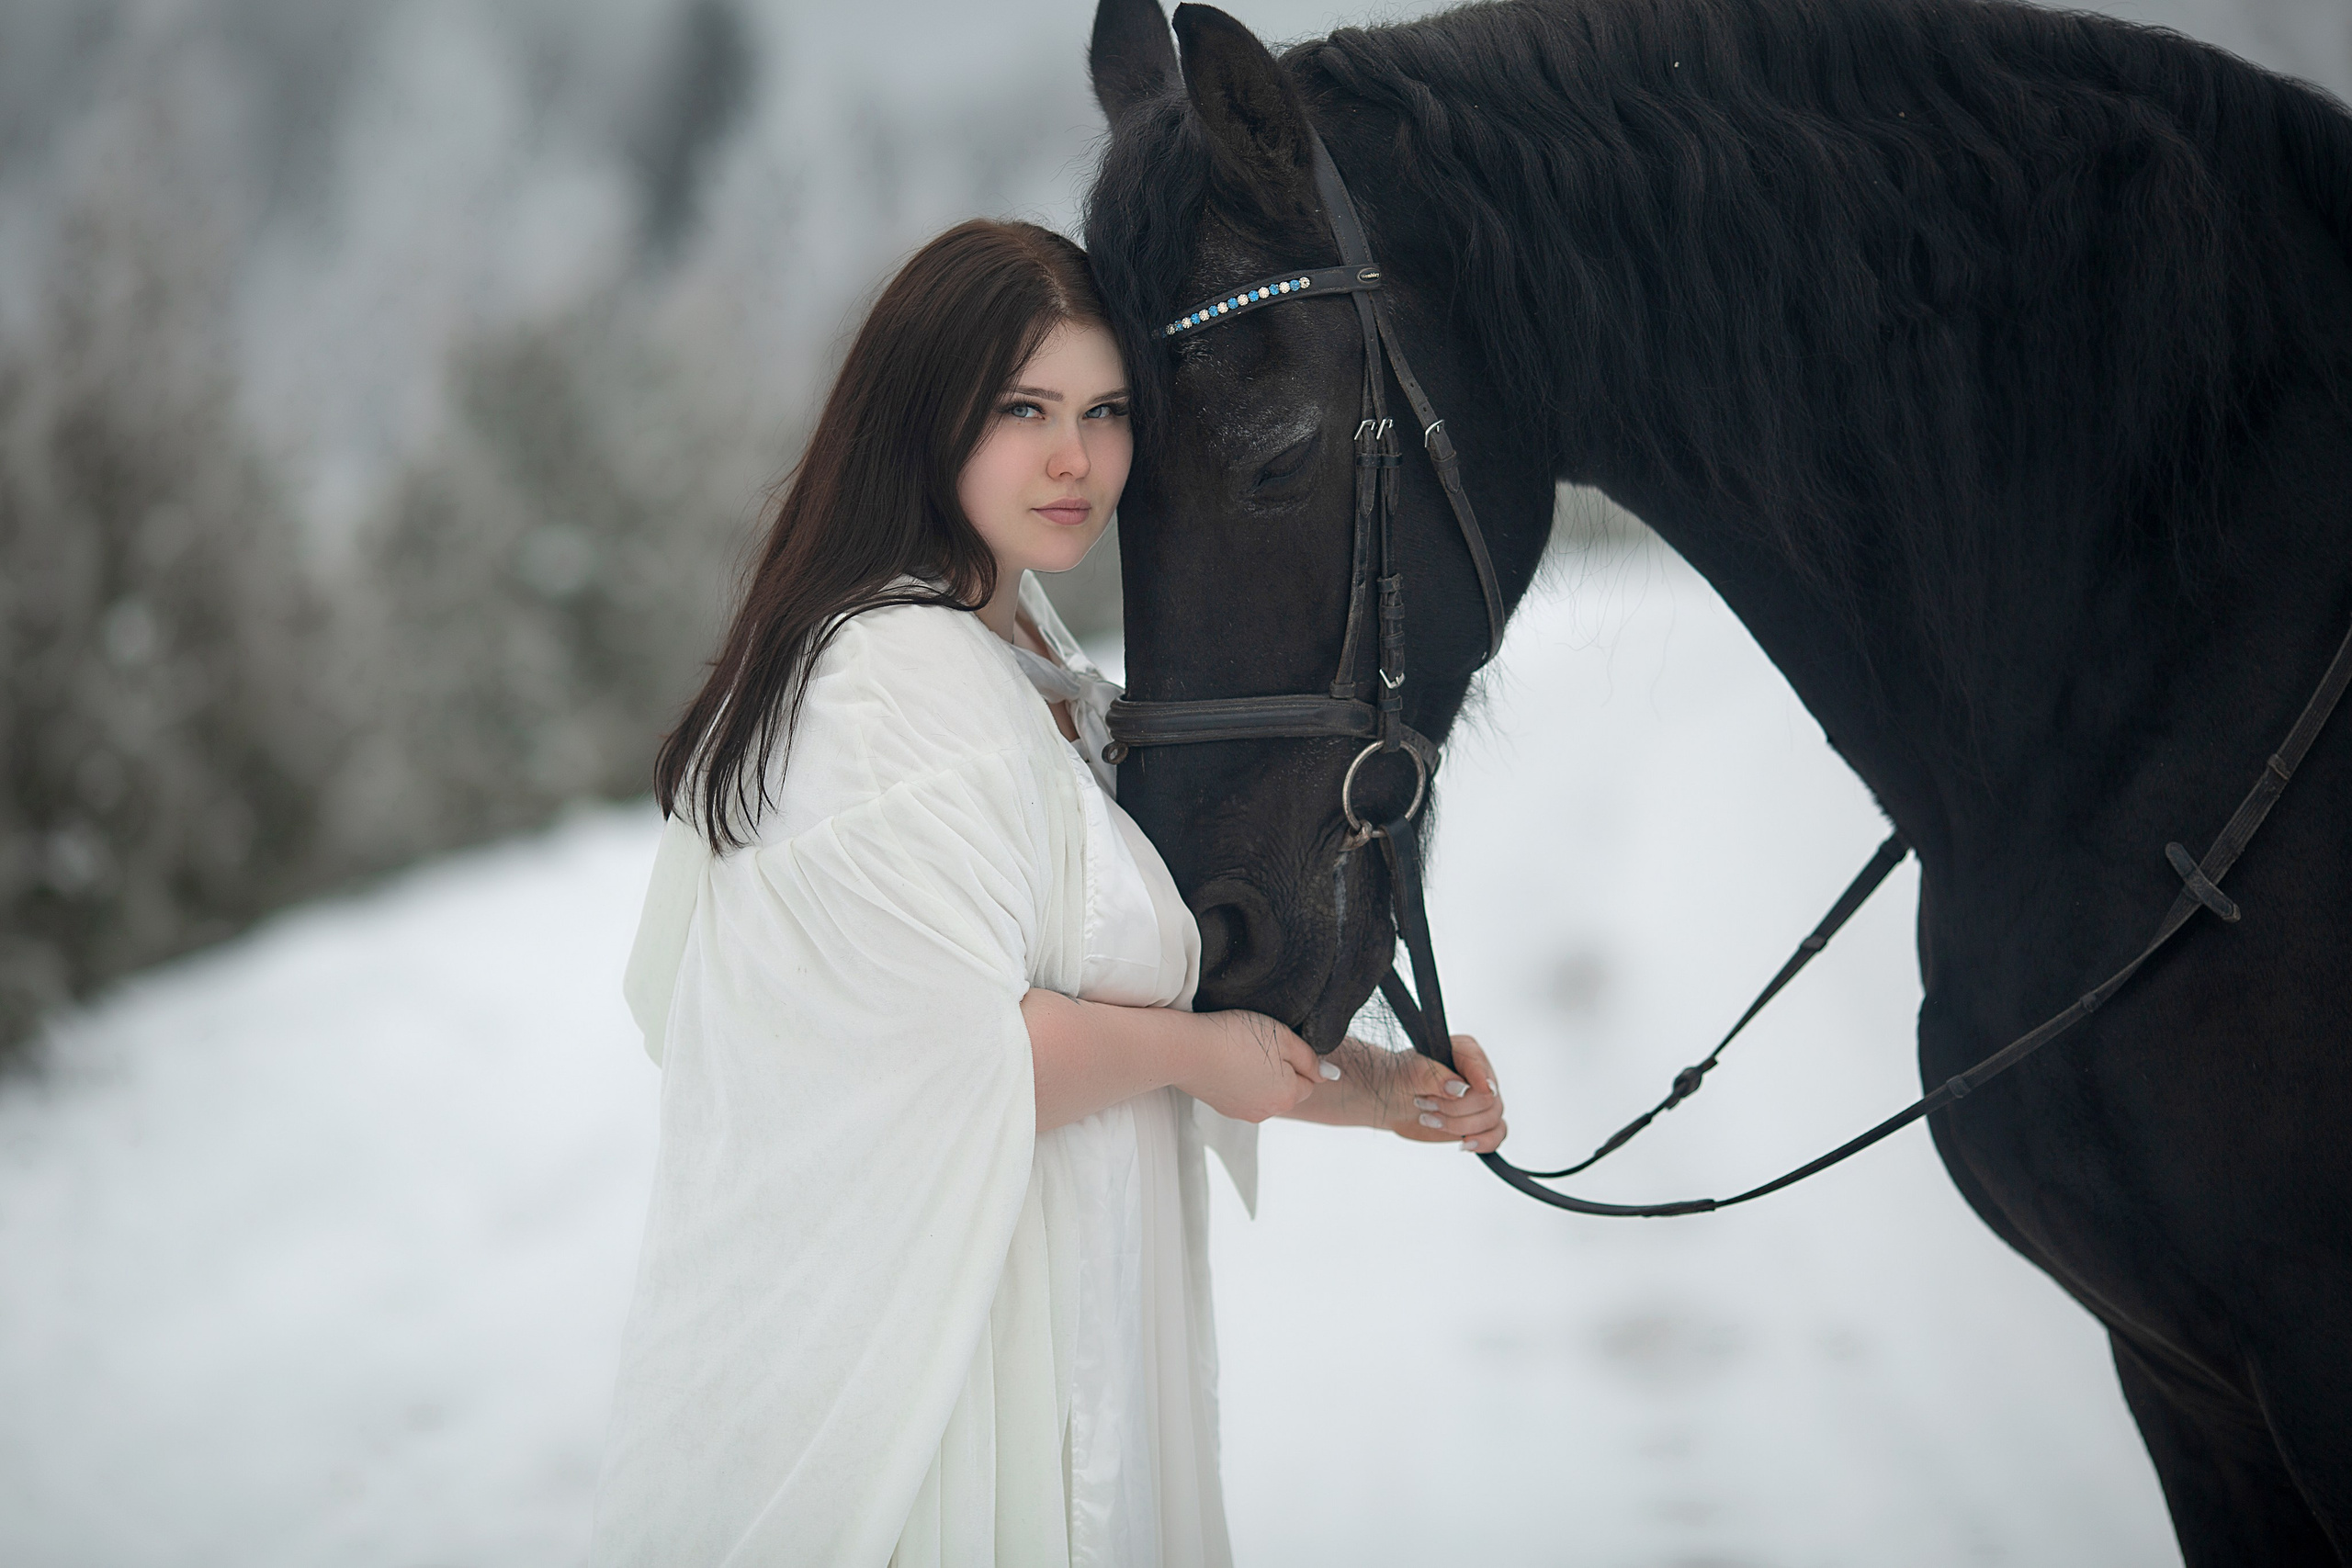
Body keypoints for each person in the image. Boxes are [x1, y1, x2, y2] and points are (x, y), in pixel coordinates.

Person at [589, 219, 1506, 1567]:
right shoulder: (881, 683)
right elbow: (959, 1054)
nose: (1076, 458)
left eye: (1106, 410)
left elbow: (1099, 980)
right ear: (926, 415)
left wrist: (1369, 1086)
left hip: (1061, 1313)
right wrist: (1202, 1052)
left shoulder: (1014, 650)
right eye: (1025, 409)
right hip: (945, 1367)